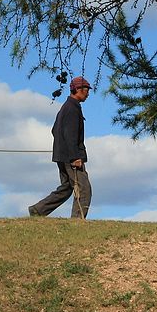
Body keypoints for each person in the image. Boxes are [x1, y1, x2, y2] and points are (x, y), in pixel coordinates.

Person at [29, 76, 93, 219]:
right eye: (86, 90)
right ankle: (77, 221)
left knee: (66, 188)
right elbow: (70, 135)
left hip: (62, 156)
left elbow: (54, 130)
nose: (88, 93)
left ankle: (38, 210)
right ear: (77, 89)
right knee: (84, 189)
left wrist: (61, 149)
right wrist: (75, 156)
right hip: (72, 158)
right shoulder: (72, 108)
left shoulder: (66, 107)